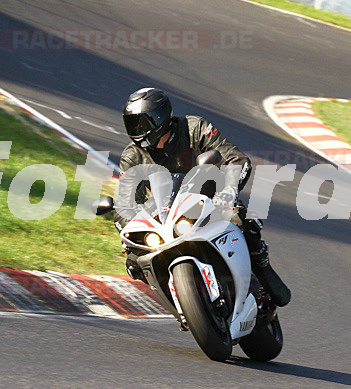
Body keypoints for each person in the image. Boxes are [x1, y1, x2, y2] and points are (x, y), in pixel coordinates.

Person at [114, 87, 291, 307]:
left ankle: (261, 267)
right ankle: (182, 303)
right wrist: (127, 229)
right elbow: (125, 202)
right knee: (135, 262)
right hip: (165, 216)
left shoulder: (194, 127)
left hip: (210, 199)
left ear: (159, 117)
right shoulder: (132, 156)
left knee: (241, 219)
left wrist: (228, 190)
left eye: (142, 123)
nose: (137, 130)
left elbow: (236, 159)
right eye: (133, 124)